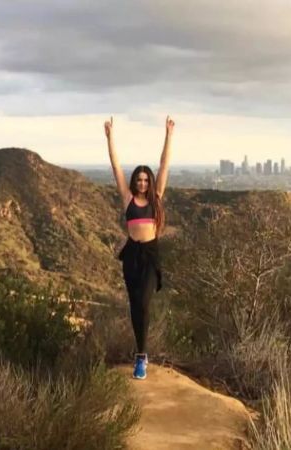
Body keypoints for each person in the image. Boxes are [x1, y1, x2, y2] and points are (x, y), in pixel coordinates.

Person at [104, 115, 174, 380]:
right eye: (140, 180)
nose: (143, 183)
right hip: (132, 256)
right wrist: (110, 137)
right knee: (135, 306)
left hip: (150, 255)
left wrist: (168, 135)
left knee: (144, 303)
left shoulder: (156, 199)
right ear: (135, 182)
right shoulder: (128, 198)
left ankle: (142, 357)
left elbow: (164, 164)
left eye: (146, 180)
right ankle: (139, 353)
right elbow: (115, 166)